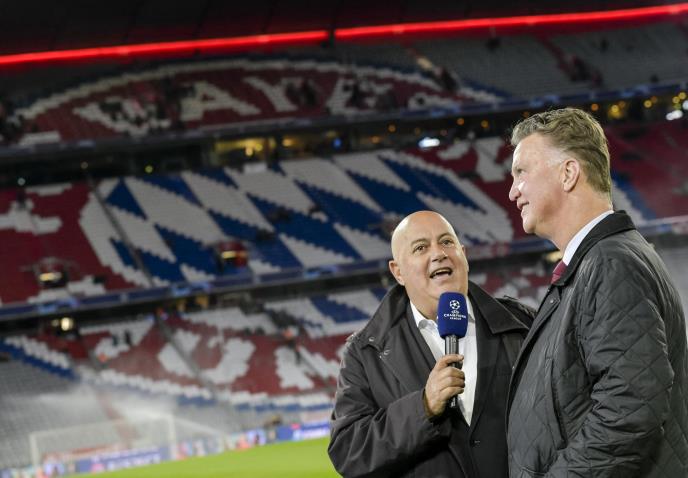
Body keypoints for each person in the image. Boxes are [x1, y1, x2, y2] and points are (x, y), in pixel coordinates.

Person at [507, 107, 688, 476]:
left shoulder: (610, 263)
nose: (513, 191)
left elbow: (629, 410)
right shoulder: (598, 262)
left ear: (568, 173)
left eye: (521, 172)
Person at [328, 210, 534, 477]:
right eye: (421, 247)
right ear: (398, 272)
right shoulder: (365, 353)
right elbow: (348, 452)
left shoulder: (523, 323)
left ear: (463, 255)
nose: (438, 253)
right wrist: (423, 407)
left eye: (447, 242)